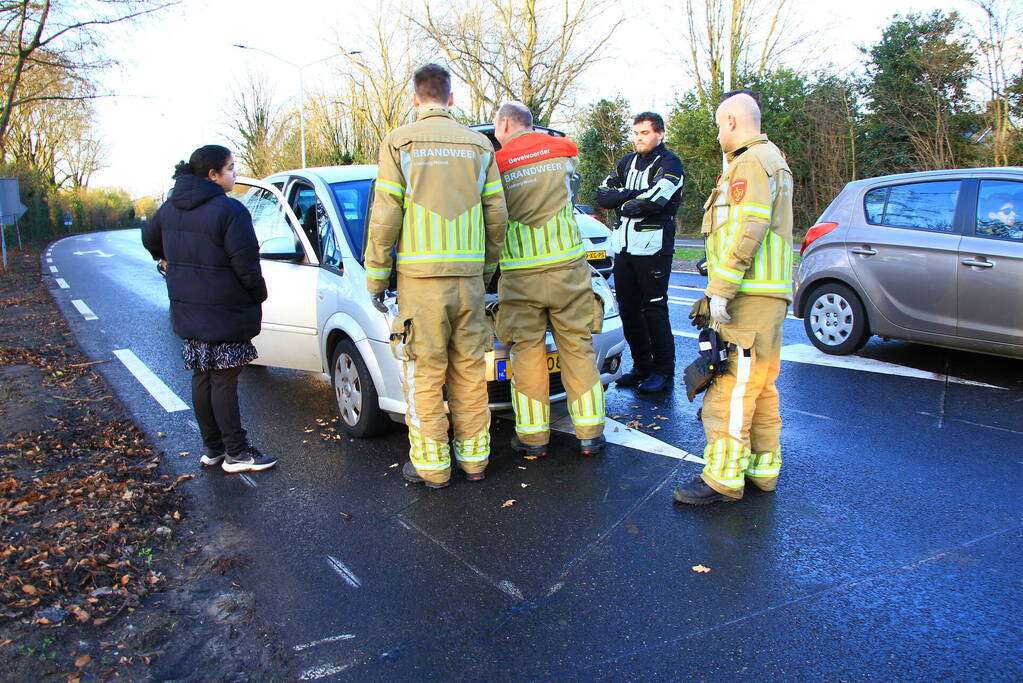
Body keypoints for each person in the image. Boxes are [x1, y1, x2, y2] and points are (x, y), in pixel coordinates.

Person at [364, 63, 507, 489]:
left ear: (414, 98)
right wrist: (484, 270)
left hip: (420, 284)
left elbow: (386, 214)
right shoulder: (481, 146)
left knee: (425, 374)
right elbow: (496, 215)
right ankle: (475, 461)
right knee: (468, 370)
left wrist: (376, 277)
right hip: (468, 281)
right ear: (451, 98)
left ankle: (433, 468)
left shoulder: (399, 142)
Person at [673, 92, 793, 505]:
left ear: (731, 121)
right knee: (760, 388)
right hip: (767, 295)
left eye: (719, 126)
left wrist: (721, 290)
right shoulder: (773, 159)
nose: (718, 135)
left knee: (731, 388)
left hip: (748, 295)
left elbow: (750, 226)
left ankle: (722, 479)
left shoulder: (748, 162)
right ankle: (762, 472)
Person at [142, 145, 277, 474]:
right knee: (224, 379)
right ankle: (236, 452)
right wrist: (258, 294)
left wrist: (165, 260)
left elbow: (148, 236)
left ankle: (213, 448)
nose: (235, 173)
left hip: (189, 307)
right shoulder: (230, 211)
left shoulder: (171, 207)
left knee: (203, 375)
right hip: (226, 308)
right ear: (212, 175)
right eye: (230, 168)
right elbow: (246, 265)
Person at [491, 101, 606, 458]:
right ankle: (590, 435)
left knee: (526, 353)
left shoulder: (496, 165)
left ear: (506, 125)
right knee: (577, 348)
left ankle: (533, 439)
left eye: (497, 129)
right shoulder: (563, 151)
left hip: (522, 276)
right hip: (568, 271)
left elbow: (492, 216)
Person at [596, 112, 685, 393]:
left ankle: (663, 372)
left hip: (654, 250)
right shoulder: (626, 161)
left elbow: (656, 199)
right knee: (629, 310)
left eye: (644, 133)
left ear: (660, 134)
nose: (638, 138)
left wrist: (625, 198)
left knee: (654, 310)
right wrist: (631, 196)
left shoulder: (670, 163)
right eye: (635, 133)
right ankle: (641, 366)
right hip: (623, 249)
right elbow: (602, 195)